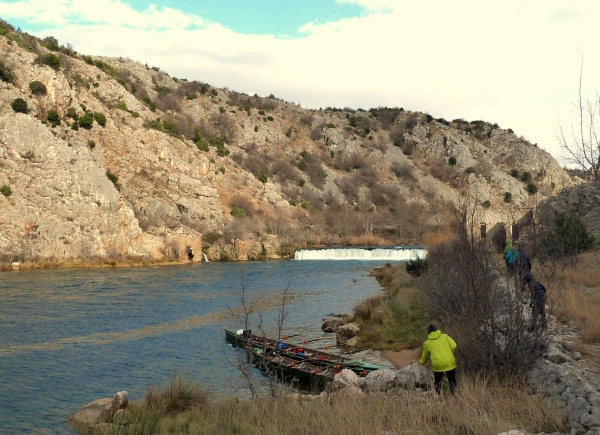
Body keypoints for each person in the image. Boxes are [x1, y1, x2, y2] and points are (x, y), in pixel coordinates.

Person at [419, 324, 457, 395]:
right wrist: (450, 354)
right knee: (452, 379)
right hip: (450, 361)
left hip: (438, 364)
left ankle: (438, 396)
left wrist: (421, 362)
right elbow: (454, 345)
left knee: (438, 381)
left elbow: (425, 356)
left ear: (428, 332)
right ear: (437, 329)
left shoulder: (427, 343)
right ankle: (455, 394)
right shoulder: (445, 336)